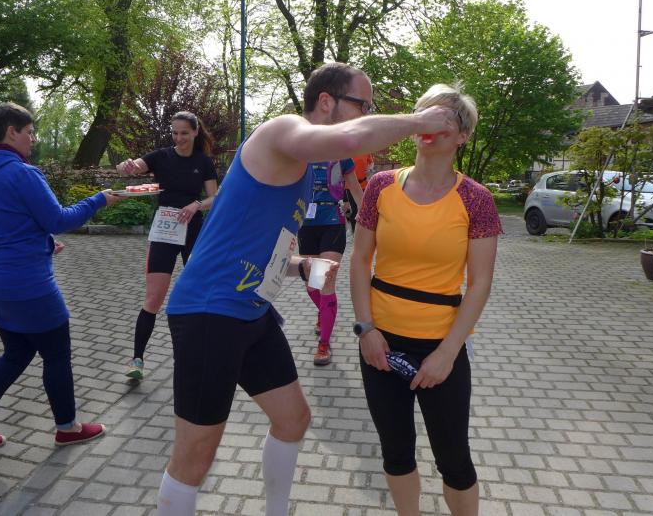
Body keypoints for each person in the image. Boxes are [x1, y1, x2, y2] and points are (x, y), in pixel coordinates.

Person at [155, 62, 457, 516]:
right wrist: (420, 121)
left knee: (293, 419)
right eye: (363, 105)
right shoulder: (283, 131)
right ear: (326, 102)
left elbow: (260, 247)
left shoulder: (301, 169)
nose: (367, 115)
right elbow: (351, 140)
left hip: (251, 311)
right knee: (194, 458)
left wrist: (299, 267)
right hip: (208, 312)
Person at [350, 84, 502, 516]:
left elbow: (480, 283)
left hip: (441, 347)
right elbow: (360, 260)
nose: (430, 124)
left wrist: (447, 353)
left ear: (462, 136)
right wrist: (366, 330)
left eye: (444, 118)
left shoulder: (476, 199)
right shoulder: (381, 186)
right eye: (424, 114)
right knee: (396, 451)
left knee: (454, 459)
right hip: (380, 344)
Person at [0, 103, 126, 449]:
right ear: (11, 132)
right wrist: (98, 200)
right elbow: (59, 219)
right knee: (57, 354)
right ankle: (68, 428)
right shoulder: (22, 173)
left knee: (16, 354)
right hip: (27, 283)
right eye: (29, 132)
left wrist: (41, 243)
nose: (33, 139)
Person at [116, 112, 218, 381]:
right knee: (154, 298)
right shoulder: (161, 156)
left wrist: (196, 205)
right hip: (164, 230)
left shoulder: (203, 162)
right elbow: (132, 167)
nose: (179, 138)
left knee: (199, 293)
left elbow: (215, 198)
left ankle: (200, 355)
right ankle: (137, 359)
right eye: (174, 133)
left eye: (184, 133)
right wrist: (126, 166)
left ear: (195, 132)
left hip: (193, 231)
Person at [298, 156, 363, 366]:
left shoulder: (341, 154)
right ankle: (326, 310)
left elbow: (355, 187)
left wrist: (367, 216)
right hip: (306, 223)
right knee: (312, 284)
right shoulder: (302, 151)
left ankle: (324, 344)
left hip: (333, 221)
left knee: (326, 279)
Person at [344, 153, 374, 232]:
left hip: (364, 184)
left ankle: (364, 230)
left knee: (364, 208)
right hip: (350, 186)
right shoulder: (347, 152)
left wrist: (370, 169)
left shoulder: (365, 150)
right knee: (354, 210)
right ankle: (354, 232)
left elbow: (371, 162)